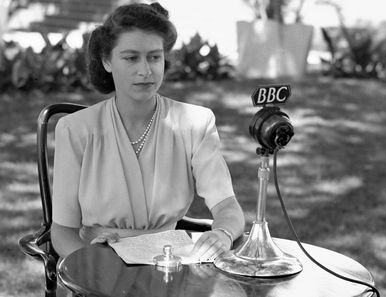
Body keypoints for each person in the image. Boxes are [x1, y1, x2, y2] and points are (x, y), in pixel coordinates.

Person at [51, 2, 245, 262]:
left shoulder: (196, 124)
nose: (145, 71)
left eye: (154, 57)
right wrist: (95, 262)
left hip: (170, 264)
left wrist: (222, 233)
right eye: (131, 58)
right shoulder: (75, 130)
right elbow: (62, 232)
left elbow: (227, 206)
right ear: (107, 61)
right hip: (95, 267)